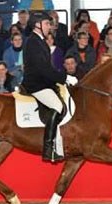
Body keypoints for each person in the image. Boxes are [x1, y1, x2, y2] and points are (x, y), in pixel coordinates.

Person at [22, 12, 78, 162]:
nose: (49, 27)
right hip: (36, 85)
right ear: (37, 25)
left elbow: (48, 68)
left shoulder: (40, 41)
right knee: (58, 106)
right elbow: (43, 69)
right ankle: (48, 149)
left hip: (44, 82)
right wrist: (64, 77)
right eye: (46, 24)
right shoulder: (33, 42)